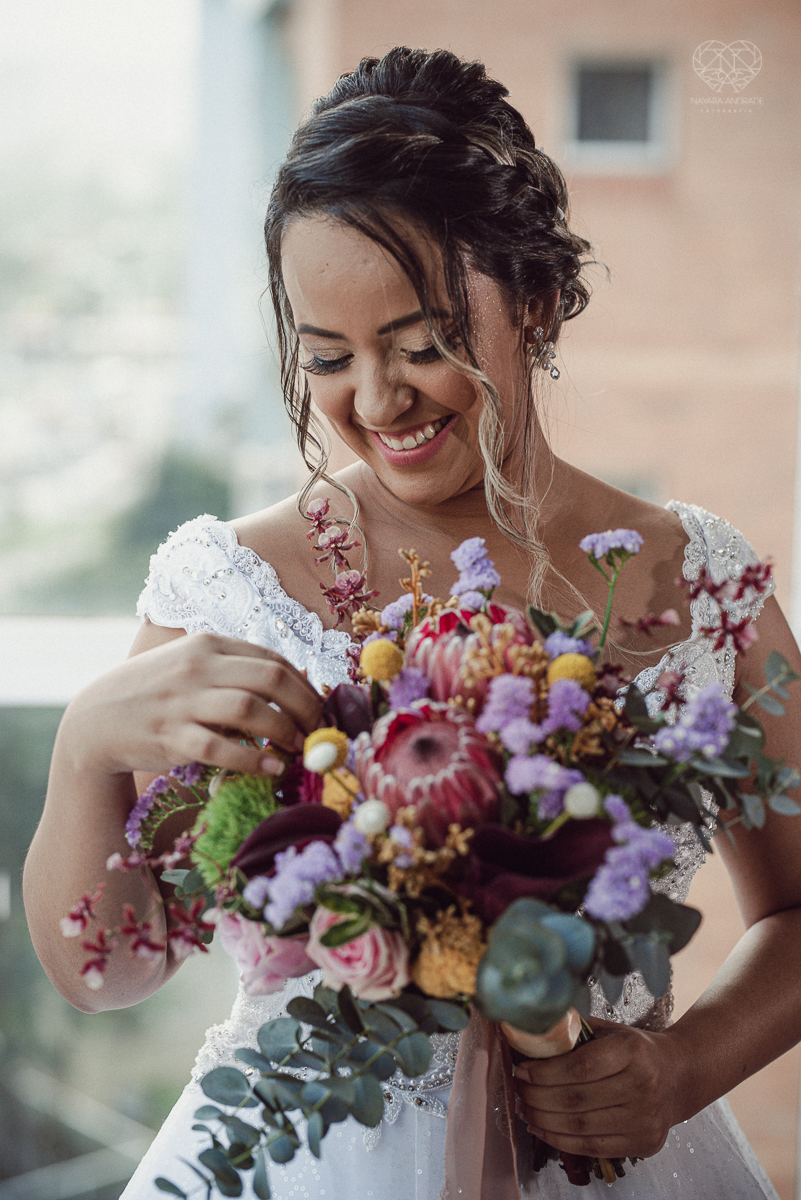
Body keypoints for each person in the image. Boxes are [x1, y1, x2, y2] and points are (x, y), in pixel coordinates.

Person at [23, 46, 801, 1200]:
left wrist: (681, 1066)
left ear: (532, 296)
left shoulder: (695, 578)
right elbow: (110, 969)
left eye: (422, 344)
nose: (375, 403)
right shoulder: (229, 588)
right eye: (327, 357)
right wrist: (86, 747)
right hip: (291, 1163)